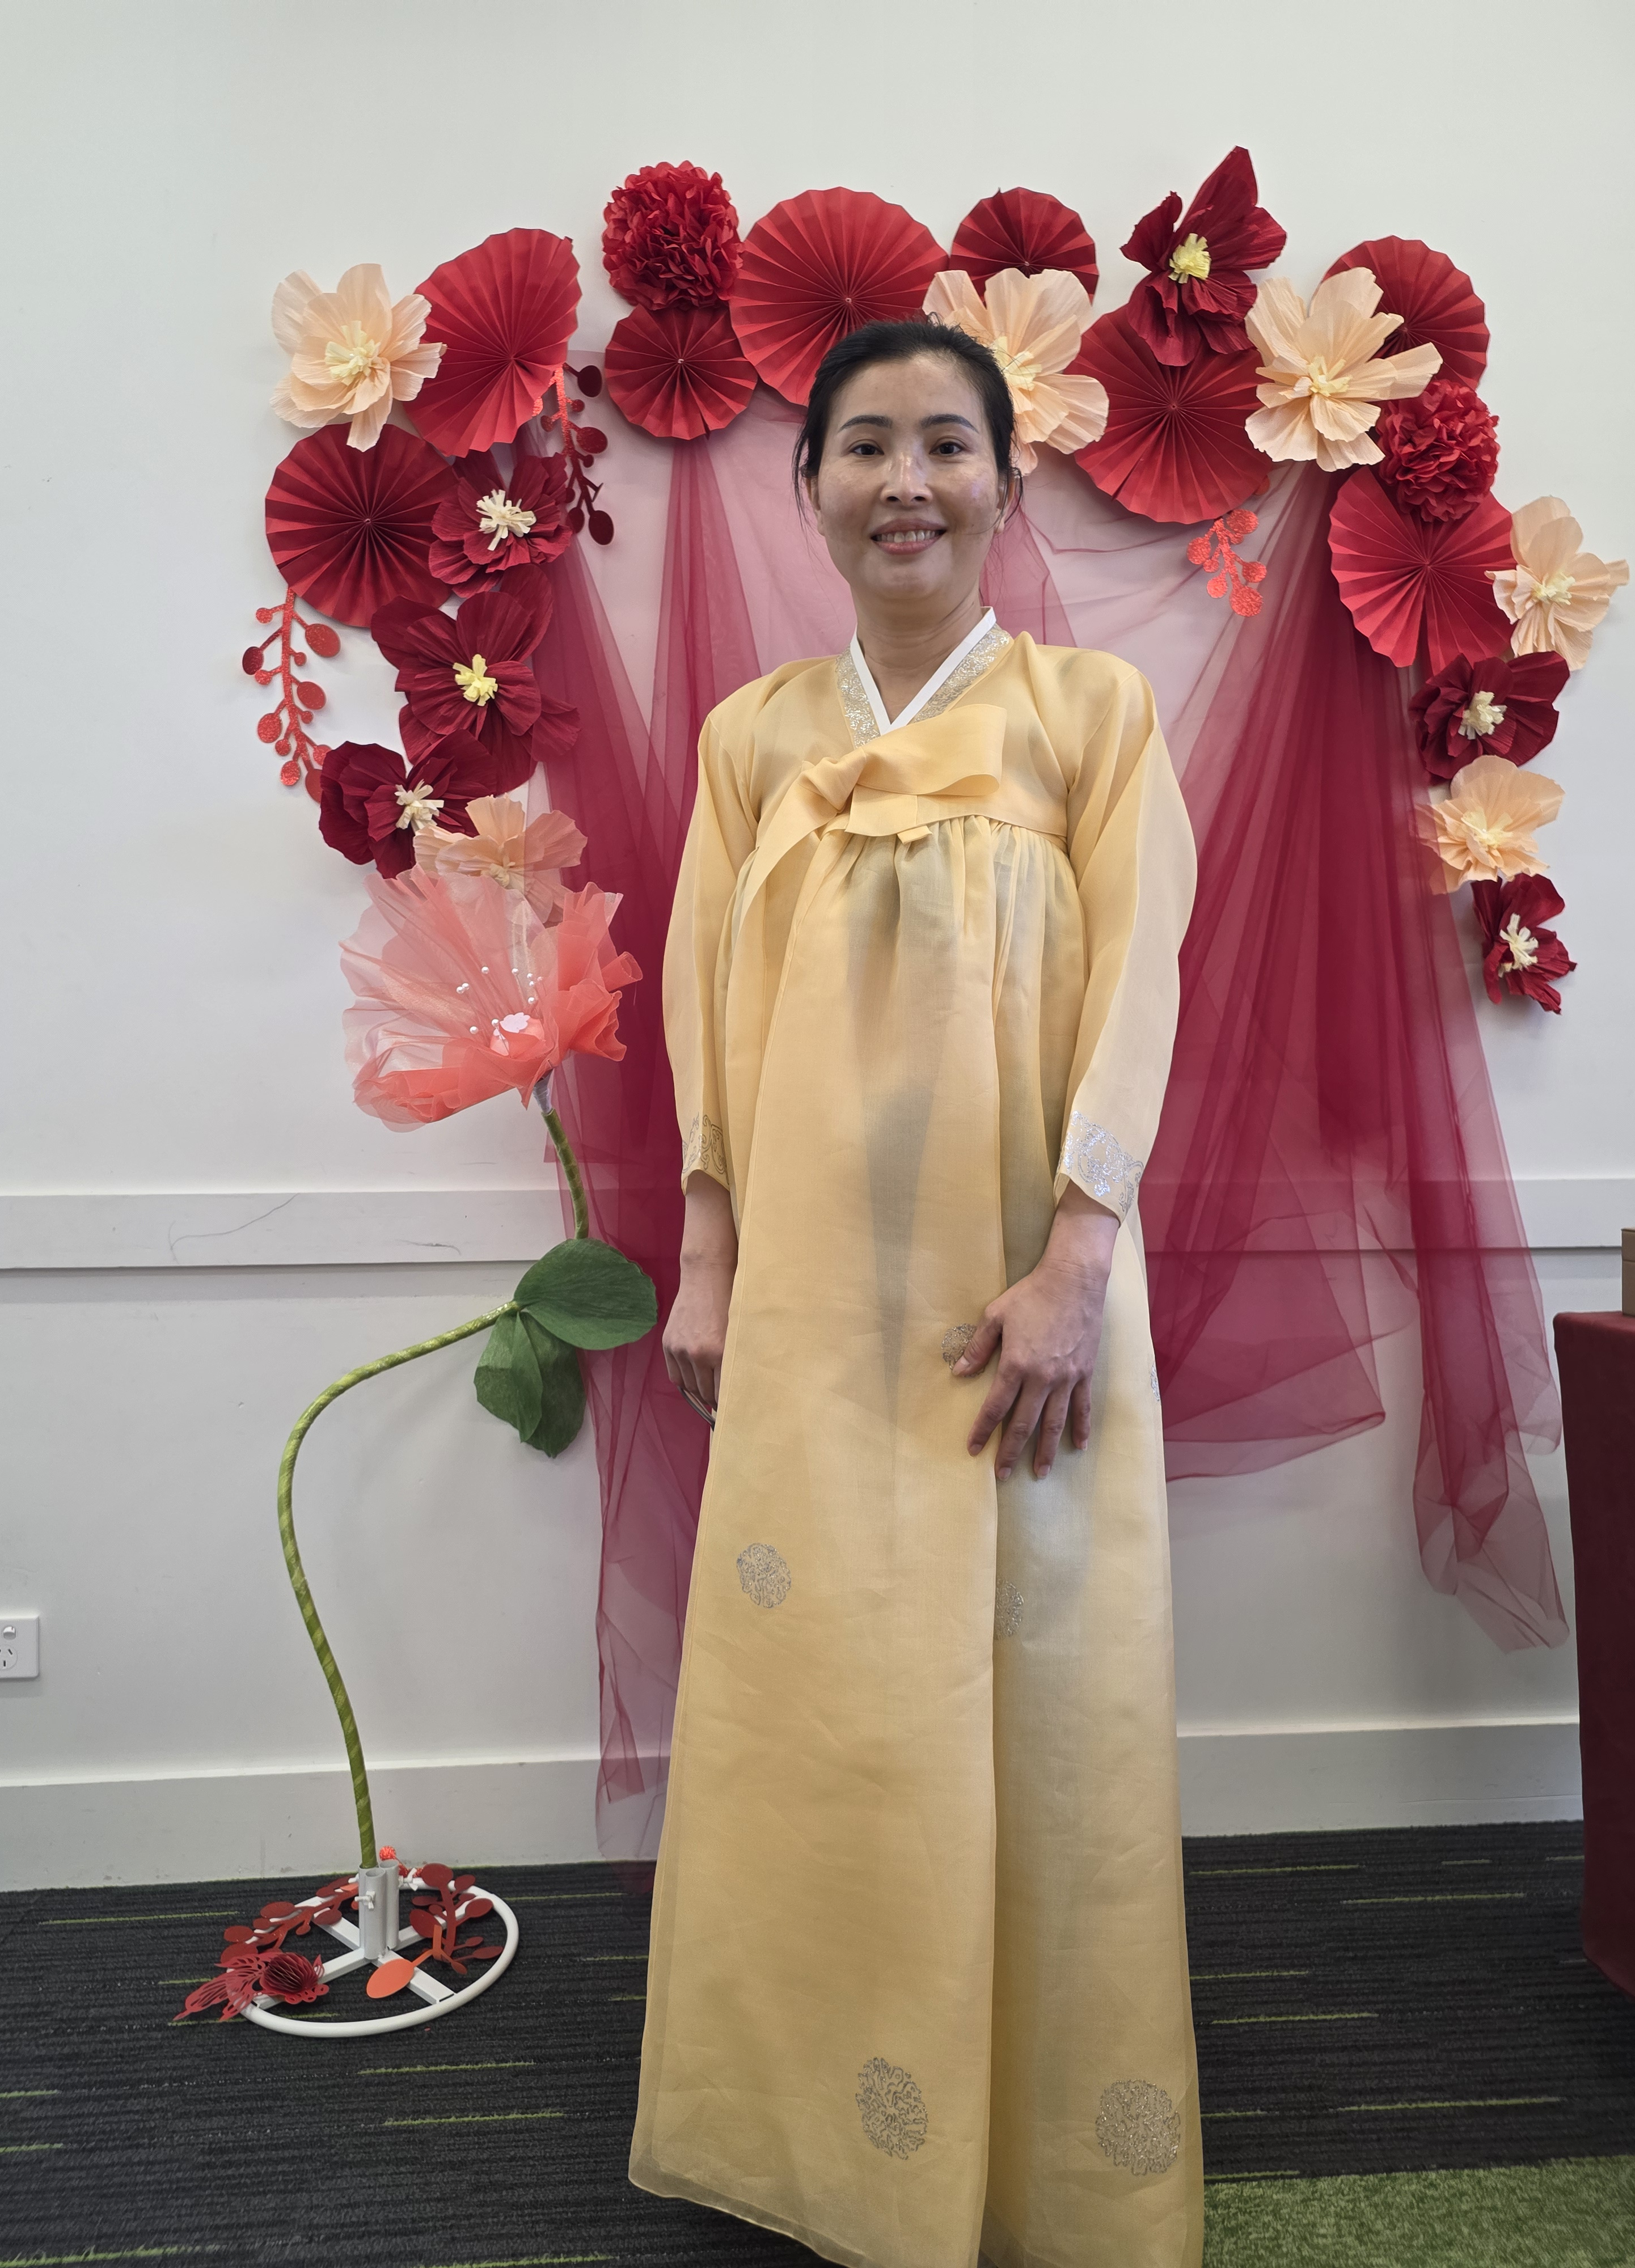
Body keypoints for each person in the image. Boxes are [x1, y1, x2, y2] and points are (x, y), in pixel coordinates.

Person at [632, 316, 1202, 2268]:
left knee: (1040, 1706)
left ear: (1005, 485)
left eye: (947, 444)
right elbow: (708, 1019)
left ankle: (1033, 2171)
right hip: (805, 1312)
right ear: (808, 486)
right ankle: (822, 2145)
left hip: (1025, 1312)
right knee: (825, 1712)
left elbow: (1143, 991)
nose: (906, 481)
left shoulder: (1091, 715)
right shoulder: (750, 741)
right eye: (864, 443)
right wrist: (708, 1265)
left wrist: (1078, 1263)